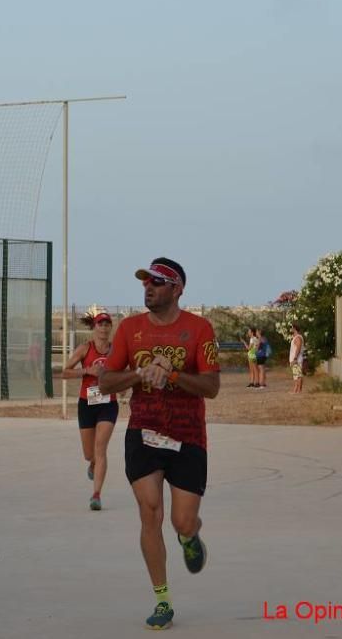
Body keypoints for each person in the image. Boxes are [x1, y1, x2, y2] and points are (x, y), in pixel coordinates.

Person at [99, 258, 220, 631]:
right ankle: (163, 599)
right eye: (146, 282)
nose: (148, 288)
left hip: (187, 435)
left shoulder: (199, 329)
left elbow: (212, 387)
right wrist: (138, 373)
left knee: (180, 519)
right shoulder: (130, 330)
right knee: (149, 512)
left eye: (158, 282)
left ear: (177, 288)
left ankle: (190, 534)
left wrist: (174, 374)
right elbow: (105, 382)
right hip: (143, 433)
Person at [60, 308, 118, 511]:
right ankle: (92, 463)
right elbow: (64, 372)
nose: (103, 327)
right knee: (89, 453)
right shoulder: (85, 348)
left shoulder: (115, 350)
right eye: (100, 324)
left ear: (111, 328)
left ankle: (96, 495)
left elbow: (124, 372)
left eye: (107, 324)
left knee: (100, 448)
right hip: (87, 403)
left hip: (108, 404)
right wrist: (87, 371)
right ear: (94, 328)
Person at [289, 324, 305, 394]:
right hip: (294, 359)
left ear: (294, 328)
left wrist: (295, 358)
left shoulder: (298, 337)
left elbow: (298, 348)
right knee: (296, 375)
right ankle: (296, 390)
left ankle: (298, 390)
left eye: (291, 328)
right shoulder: (295, 337)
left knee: (298, 375)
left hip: (297, 359)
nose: (290, 329)